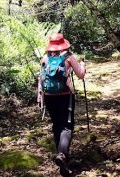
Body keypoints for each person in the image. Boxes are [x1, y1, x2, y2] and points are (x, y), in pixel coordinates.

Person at [37, 33, 86, 176]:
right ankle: (62, 154)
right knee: (67, 126)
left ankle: (62, 157)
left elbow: (41, 78)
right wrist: (82, 65)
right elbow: (80, 74)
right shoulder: (68, 57)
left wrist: (40, 96)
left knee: (56, 124)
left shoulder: (45, 58)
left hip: (49, 96)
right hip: (65, 95)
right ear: (62, 43)